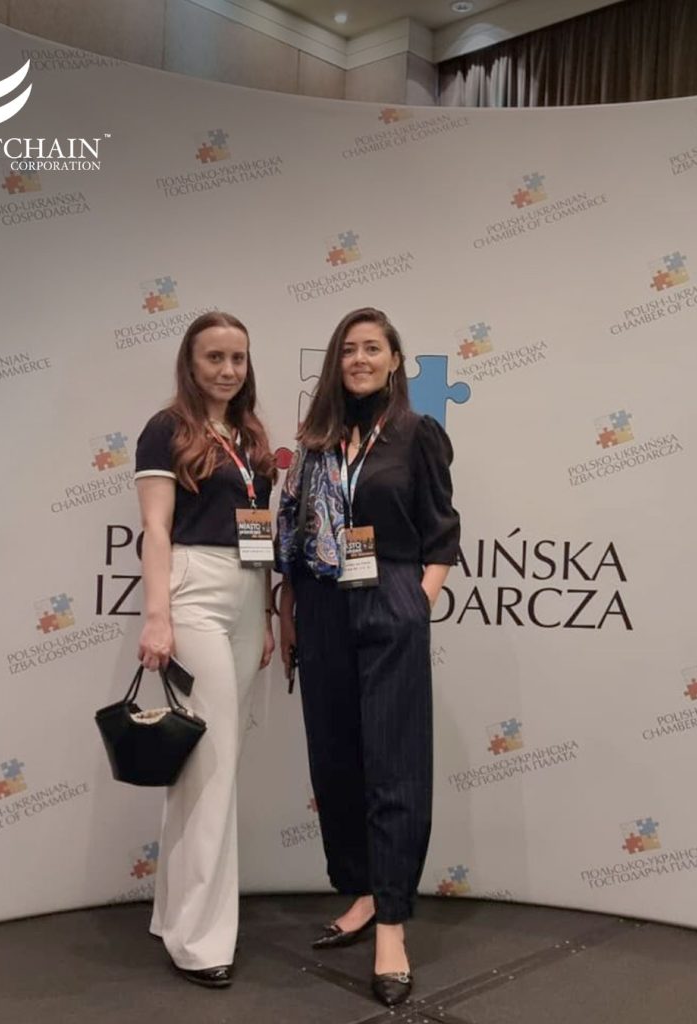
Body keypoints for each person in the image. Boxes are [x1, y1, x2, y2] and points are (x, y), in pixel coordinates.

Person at [276, 307, 460, 1008]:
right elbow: (294, 534)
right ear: (336, 362)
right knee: (335, 760)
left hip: (389, 598)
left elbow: (442, 533)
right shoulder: (317, 441)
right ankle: (359, 891)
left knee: (394, 764)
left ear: (394, 360)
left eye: (372, 348)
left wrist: (415, 602)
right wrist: (289, 612)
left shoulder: (416, 433)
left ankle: (391, 923)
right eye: (348, 349)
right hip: (321, 604)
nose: (359, 359)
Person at [134, 311, 276, 988]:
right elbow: (156, 530)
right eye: (214, 357)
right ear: (190, 363)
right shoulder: (166, 429)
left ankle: (174, 915)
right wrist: (156, 617)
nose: (227, 370)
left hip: (248, 590)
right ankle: (200, 942)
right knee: (211, 765)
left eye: (237, 358)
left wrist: (267, 611)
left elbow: (260, 530)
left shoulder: (250, 436)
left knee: (208, 765)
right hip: (192, 587)